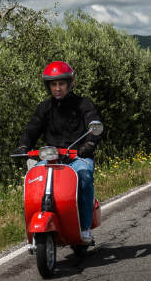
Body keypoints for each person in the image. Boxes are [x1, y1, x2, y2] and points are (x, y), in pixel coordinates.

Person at [15, 61, 102, 243]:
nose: (57, 88)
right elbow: (32, 129)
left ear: (70, 83)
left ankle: (85, 227)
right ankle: (37, 227)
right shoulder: (44, 108)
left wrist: (89, 144)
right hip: (52, 158)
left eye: (61, 83)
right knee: (34, 178)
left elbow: (93, 124)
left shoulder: (83, 104)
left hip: (78, 156)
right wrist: (23, 146)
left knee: (84, 176)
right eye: (53, 84)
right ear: (48, 86)